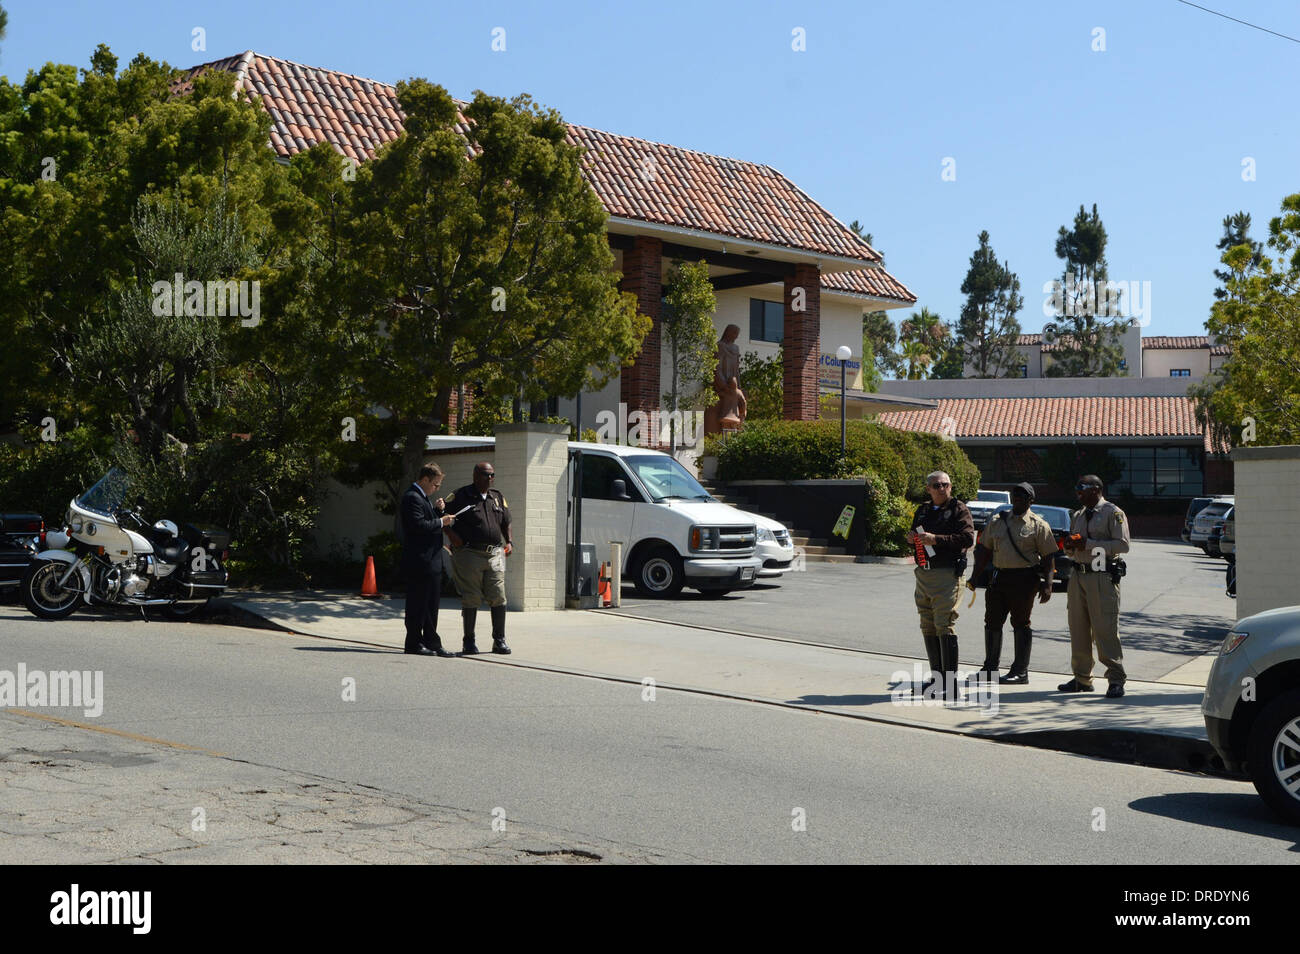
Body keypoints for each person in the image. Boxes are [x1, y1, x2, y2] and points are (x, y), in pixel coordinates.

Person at [967, 483, 1057, 685]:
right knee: (992, 622)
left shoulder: (1038, 525)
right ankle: (990, 667)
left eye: (1023, 495)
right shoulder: (998, 521)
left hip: (1024, 580)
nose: (1017, 497)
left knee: (1021, 623)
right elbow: (983, 551)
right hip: (999, 578)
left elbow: (1049, 557)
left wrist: (1048, 584)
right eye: (1015, 493)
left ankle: (1020, 671)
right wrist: (974, 577)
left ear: (1030, 500)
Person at [1058, 474, 1130, 698]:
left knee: (1105, 630)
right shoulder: (1078, 514)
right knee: (1078, 629)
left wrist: (1088, 543)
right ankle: (1082, 678)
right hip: (1078, 575)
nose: (1078, 493)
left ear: (1097, 489)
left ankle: (1116, 679)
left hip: (1102, 577)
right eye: (1077, 489)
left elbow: (1123, 545)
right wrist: (1069, 546)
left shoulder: (1113, 513)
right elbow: (1073, 546)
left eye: (1083, 488)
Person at [905, 471, 974, 700]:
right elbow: (917, 534)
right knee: (928, 624)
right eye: (937, 485)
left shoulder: (958, 509)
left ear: (951, 487)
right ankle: (937, 680)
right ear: (928, 489)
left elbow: (967, 538)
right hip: (924, 573)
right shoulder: (923, 510)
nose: (942, 488)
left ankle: (951, 685)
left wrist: (937, 539)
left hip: (947, 574)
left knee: (944, 624)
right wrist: (913, 538)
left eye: (945, 484)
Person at [444, 462, 513, 655]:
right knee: (472, 597)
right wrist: (451, 535)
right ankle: (469, 642)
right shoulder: (460, 496)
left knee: (498, 595)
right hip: (470, 553)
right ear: (475, 476)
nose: (490, 478)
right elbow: (442, 515)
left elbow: (506, 521)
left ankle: (499, 641)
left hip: (495, 553)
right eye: (486, 475)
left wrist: (510, 541)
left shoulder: (497, 497)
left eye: (492, 475)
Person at [400, 464, 457, 657]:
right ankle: (413, 643)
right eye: (435, 484)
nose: (436, 489)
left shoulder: (422, 498)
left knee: (431, 604)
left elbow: (426, 520)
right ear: (425, 479)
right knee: (418, 604)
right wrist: (442, 521)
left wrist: (437, 510)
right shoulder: (411, 497)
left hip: (431, 560)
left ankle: (432, 642)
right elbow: (418, 525)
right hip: (420, 561)